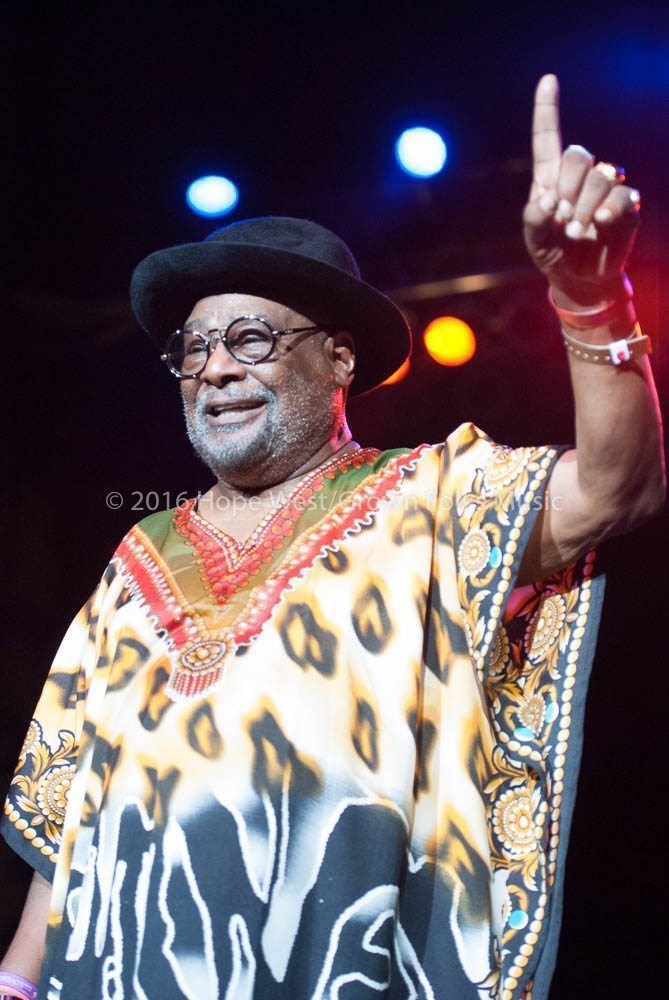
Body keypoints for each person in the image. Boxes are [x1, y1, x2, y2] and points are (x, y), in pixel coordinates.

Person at [0, 74, 664, 1000]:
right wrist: (19, 981)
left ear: (339, 357)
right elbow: (65, 801)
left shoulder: (429, 498)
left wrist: (592, 302)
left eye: (250, 340)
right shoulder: (140, 554)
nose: (215, 369)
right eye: (193, 349)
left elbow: (614, 489)